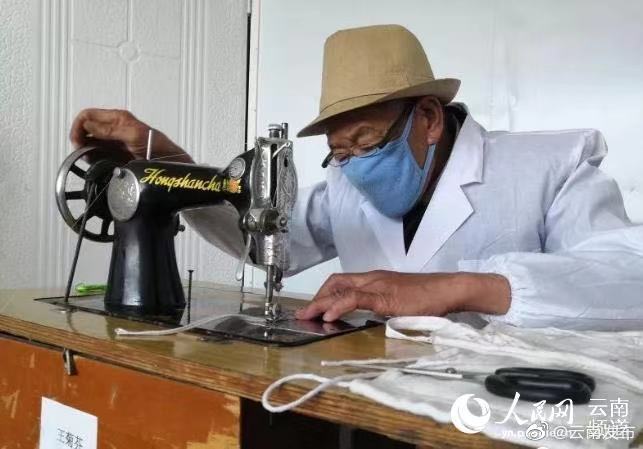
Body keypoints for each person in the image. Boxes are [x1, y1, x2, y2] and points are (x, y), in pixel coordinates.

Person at [69, 24, 643, 330]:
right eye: (339, 151)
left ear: (428, 117)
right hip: (374, 401)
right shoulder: (347, 184)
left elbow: (628, 280)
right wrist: (168, 162)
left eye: (366, 142)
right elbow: (268, 237)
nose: (353, 163)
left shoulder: (551, 167)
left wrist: (458, 287)